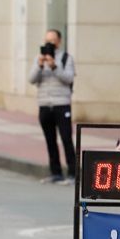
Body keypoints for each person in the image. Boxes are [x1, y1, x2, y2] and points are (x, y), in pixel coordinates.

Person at [28, 29, 76, 184]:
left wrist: (55, 66)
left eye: (53, 40)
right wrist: (40, 65)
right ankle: (55, 172)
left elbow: (68, 78)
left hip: (61, 104)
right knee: (50, 139)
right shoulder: (39, 58)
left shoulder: (66, 58)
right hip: (44, 104)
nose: (50, 44)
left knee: (66, 138)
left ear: (59, 41)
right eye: (47, 40)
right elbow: (32, 79)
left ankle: (73, 173)